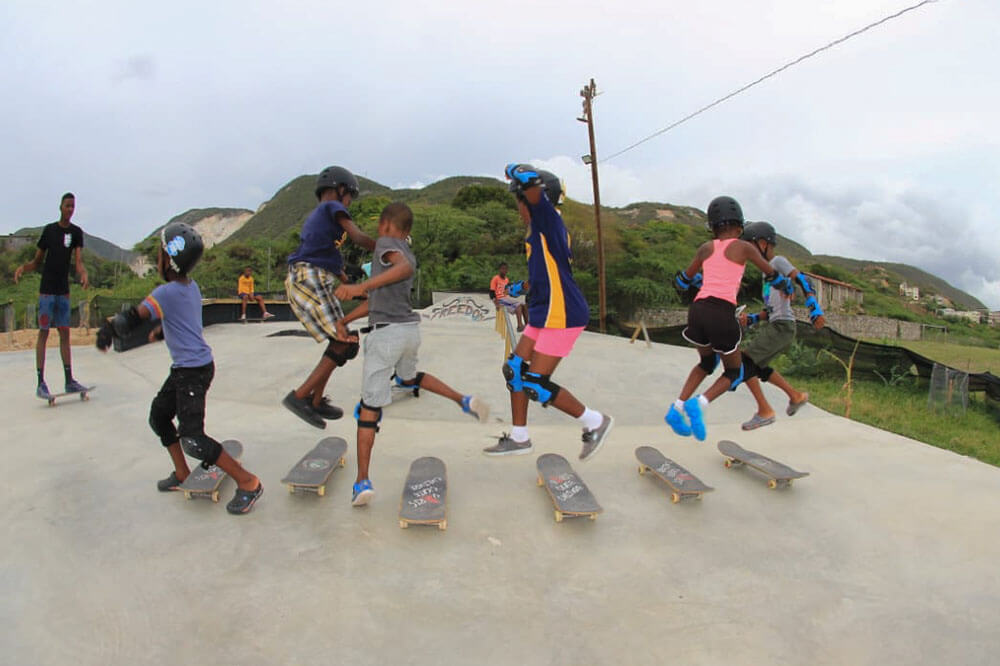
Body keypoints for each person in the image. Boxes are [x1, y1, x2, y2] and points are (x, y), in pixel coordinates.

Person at [95, 223, 263, 514]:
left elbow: (133, 318)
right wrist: (164, 332)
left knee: (194, 439)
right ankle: (182, 474)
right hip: (188, 368)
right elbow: (185, 320)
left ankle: (248, 483)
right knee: (159, 418)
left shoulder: (166, 292)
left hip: (193, 372)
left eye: (160, 252)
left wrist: (110, 329)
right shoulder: (189, 286)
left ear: (168, 259)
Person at [334, 202, 488, 505]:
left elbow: (402, 266)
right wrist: (345, 319)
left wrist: (358, 286)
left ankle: (362, 481)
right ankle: (464, 400)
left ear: (387, 227)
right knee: (408, 380)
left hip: (386, 337)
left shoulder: (389, 247)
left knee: (368, 409)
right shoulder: (398, 250)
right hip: (408, 333)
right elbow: (375, 297)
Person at [483, 164, 612, 461]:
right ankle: (519, 437)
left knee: (534, 383)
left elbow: (535, 192)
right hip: (544, 311)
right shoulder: (537, 232)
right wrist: (520, 286)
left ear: (529, 200)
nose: (518, 209)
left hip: (562, 314)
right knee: (514, 370)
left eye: (519, 202)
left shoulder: (547, 221)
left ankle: (594, 421)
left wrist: (521, 173)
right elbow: (546, 274)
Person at [665, 196, 785, 442]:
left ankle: (677, 408)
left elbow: (682, 281)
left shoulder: (705, 248)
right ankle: (701, 403)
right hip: (721, 312)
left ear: (712, 226)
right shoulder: (744, 247)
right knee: (734, 370)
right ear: (740, 227)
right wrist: (784, 284)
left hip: (697, 310)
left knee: (707, 364)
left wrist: (690, 280)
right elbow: (770, 272)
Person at [282, 166, 376, 429]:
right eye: (349, 197)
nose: (349, 204)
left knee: (345, 340)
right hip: (308, 277)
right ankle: (300, 397)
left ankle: (315, 400)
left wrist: (355, 286)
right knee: (343, 341)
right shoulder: (331, 208)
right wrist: (388, 248)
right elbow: (357, 236)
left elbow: (333, 264)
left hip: (315, 276)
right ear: (340, 190)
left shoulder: (321, 221)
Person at [736, 221, 824, 429]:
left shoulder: (778, 262)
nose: (747, 253)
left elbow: (802, 278)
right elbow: (771, 310)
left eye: (750, 246)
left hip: (783, 327)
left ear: (764, 243)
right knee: (758, 367)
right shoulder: (766, 273)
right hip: (778, 324)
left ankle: (764, 411)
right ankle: (795, 396)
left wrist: (813, 306)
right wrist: (753, 319)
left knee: (743, 363)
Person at [13, 192, 90, 399]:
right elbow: (37, 262)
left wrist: (83, 274)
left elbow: (79, 262)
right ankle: (41, 382)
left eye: (73, 206)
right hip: (47, 290)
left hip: (63, 290)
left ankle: (69, 380)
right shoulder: (49, 231)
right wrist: (23, 268)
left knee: (65, 334)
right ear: (60, 207)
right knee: (44, 333)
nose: (70, 209)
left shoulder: (76, 233)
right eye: (67, 206)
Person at [489, 262, 528, 332]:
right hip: (500, 299)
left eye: (506, 269)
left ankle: (528, 325)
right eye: (503, 269)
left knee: (524, 305)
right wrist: (496, 303)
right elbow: (491, 292)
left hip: (506, 298)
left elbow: (508, 292)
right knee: (518, 305)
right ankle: (519, 325)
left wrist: (514, 294)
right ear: (499, 269)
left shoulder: (506, 280)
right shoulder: (495, 278)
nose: (504, 271)